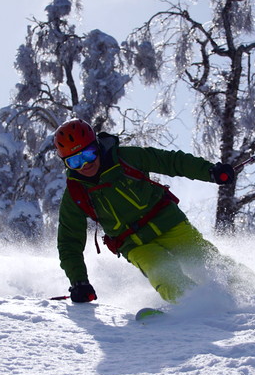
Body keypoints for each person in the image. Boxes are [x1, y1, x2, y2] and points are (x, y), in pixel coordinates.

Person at [54, 119, 236, 303]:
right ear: (66, 164)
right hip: (134, 244)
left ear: (98, 147)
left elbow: (171, 161)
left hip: (169, 223)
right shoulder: (75, 194)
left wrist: (209, 171)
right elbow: (69, 242)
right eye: (75, 161)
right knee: (163, 273)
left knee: (205, 261)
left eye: (88, 155)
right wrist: (79, 283)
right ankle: (194, 306)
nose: (84, 165)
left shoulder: (127, 158)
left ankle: (253, 290)